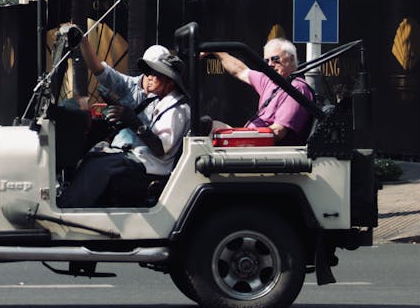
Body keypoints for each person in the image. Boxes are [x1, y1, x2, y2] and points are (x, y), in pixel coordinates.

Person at [57, 27, 191, 208]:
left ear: (169, 80)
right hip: (138, 155)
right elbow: (99, 70)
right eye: (148, 72)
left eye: (155, 74)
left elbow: (160, 149)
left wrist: (134, 122)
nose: (149, 77)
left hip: (151, 165)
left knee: (100, 168)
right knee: (93, 159)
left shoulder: (178, 109)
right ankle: (72, 201)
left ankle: (69, 207)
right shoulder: (156, 97)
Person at [208, 38, 314, 144]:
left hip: (267, 152)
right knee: (211, 126)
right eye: (266, 61)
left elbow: (278, 131)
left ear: (291, 59)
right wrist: (218, 52)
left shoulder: (297, 88)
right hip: (252, 143)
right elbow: (240, 71)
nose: (270, 64)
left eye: (275, 59)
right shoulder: (269, 81)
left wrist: (240, 138)